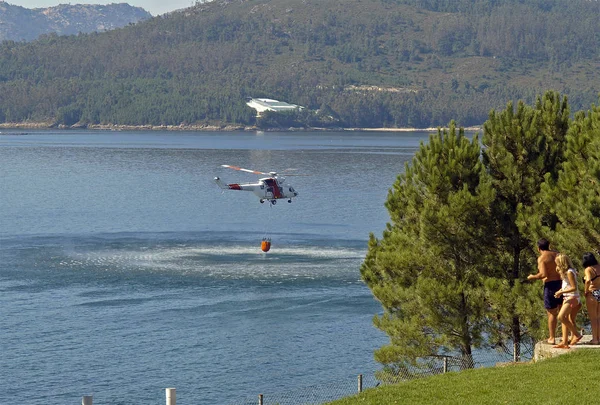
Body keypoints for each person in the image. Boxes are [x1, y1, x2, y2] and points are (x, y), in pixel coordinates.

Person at [527, 238, 562, 344]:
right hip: (561, 283)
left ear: (538, 248)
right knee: (563, 311)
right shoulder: (557, 254)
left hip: (550, 285)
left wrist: (532, 276)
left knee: (551, 313)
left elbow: (543, 274)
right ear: (549, 245)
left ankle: (552, 337)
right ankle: (567, 336)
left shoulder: (542, 258)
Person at [552, 254, 582, 348]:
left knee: (561, 317)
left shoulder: (569, 272)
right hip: (567, 297)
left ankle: (576, 334)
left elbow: (574, 287)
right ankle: (564, 342)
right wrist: (561, 291)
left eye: (557, 263)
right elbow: (566, 285)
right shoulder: (566, 272)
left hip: (572, 297)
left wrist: (561, 292)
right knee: (564, 319)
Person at [583, 252, 600, 345]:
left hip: (592, 293)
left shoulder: (588, 269)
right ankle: (599, 337)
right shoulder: (599, 266)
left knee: (593, 318)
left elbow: (588, 280)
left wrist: (586, 291)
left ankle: (595, 339)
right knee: (598, 317)